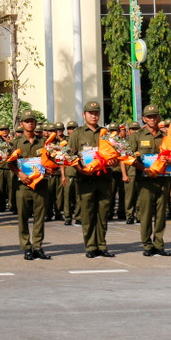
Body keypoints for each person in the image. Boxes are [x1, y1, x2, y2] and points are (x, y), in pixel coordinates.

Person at [66, 101, 115, 258]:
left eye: (96, 113)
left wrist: (113, 161)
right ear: (84, 115)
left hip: (104, 178)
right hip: (85, 179)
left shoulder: (105, 133)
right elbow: (70, 155)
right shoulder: (77, 133)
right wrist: (80, 169)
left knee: (103, 213)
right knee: (87, 214)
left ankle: (102, 245)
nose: (94, 115)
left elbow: (114, 153)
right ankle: (90, 246)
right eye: (91, 113)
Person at [125, 105, 171, 256]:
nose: (152, 119)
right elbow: (128, 156)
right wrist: (141, 168)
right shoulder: (136, 136)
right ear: (144, 119)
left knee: (161, 213)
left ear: (158, 118)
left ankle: (159, 243)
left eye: (154, 116)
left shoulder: (166, 136)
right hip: (144, 180)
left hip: (162, 179)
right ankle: (147, 244)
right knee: (145, 213)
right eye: (149, 117)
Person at [10, 111, 51, 260]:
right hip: (23, 185)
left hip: (40, 184)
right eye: (26, 121)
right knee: (23, 216)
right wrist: (19, 173)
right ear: (21, 124)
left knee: (40, 217)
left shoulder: (44, 142)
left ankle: (38, 246)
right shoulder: (15, 142)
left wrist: (49, 169)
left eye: (32, 121)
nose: (30, 124)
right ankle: (26, 246)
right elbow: (10, 162)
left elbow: (51, 160)